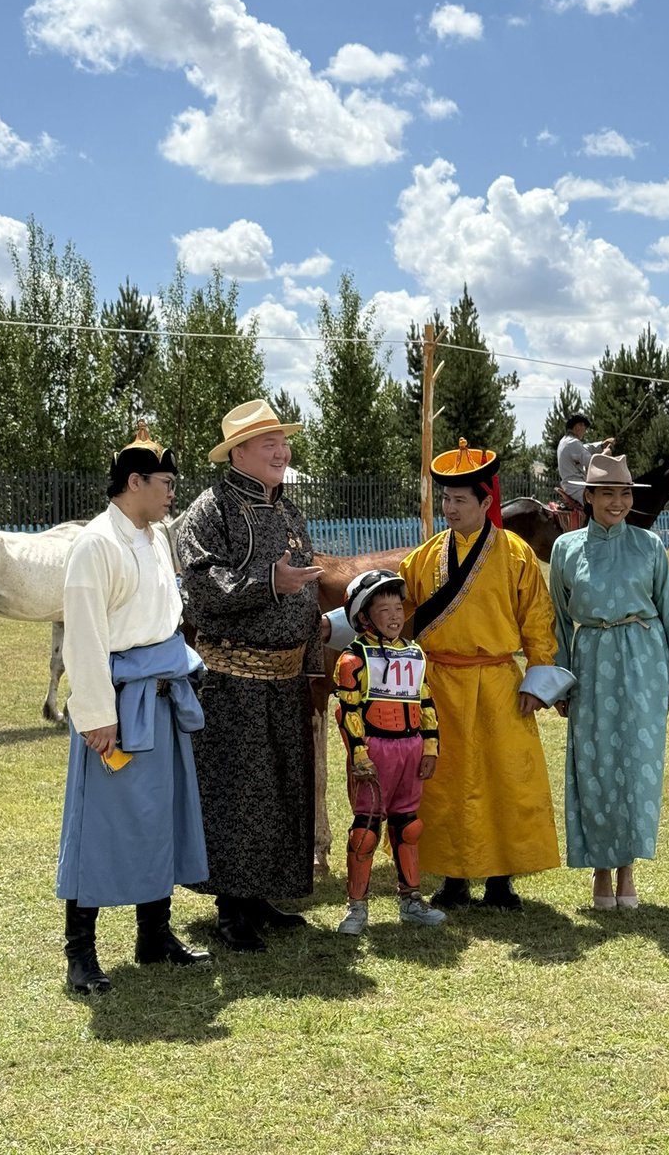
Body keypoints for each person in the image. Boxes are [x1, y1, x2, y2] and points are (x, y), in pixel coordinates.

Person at [56, 423, 211, 995]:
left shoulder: (157, 535)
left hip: (162, 694)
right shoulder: (96, 544)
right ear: (135, 481)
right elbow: (85, 639)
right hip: (119, 704)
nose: (173, 493)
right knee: (101, 826)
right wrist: (97, 715)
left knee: (161, 815)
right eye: (165, 483)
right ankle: (80, 954)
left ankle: (154, 935)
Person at [397, 439, 572, 911]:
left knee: (504, 779)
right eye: (446, 500)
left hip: (498, 682)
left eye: (460, 500)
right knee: (445, 782)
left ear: (485, 501)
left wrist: (538, 680)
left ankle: (500, 877)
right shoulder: (425, 557)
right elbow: (397, 613)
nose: (451, 509)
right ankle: (452, 877)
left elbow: (538, 622)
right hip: (440, 685)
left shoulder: (514, 555)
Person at [176, 400, 324, 952]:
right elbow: (201, 586)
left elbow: (306, 592)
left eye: (283, 443)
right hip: (232, 681)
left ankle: (261, 893)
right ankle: (232, 910)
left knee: (282, 789)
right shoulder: (209, 510)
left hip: (285, 681)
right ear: (238, 452)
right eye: (269, 444)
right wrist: (269, 583)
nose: (282, 452)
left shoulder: (289, 511)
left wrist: (311, 667)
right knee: (237, 794)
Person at [548, 453, 669, 909]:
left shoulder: (650, 545)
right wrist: (559, 681)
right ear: (587, 496)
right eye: (607, 492)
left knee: (636, 767)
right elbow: (555, 620)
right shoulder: (566, 549)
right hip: (591, 664)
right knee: (594, 768)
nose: (617, 502)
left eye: (625, 493)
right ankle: (600, 871)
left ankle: (628, 868)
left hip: (644, 665)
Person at [333, 569, 446, 936]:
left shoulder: (415, 654)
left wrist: (430, 747)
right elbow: (348, 712)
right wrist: (359, 755)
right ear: (363, 617)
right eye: (384, 610)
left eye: (398, 607)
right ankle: (356, 907)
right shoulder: (353, 660)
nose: (395, 616)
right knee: (366, 830)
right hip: (375, 751)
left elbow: (426, 702)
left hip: (410, 749)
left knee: (408, 826)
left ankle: (411, 900)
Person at [557, 414, 614, 506]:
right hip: (577, 487)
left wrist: (601, 445)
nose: (585, 431)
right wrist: (605, 454)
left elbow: (584, 448)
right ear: (577, 427)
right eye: (584, 427)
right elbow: (592, 463)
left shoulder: (565, 441)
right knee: (601, 506)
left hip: (571, 486)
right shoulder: (573, 443)